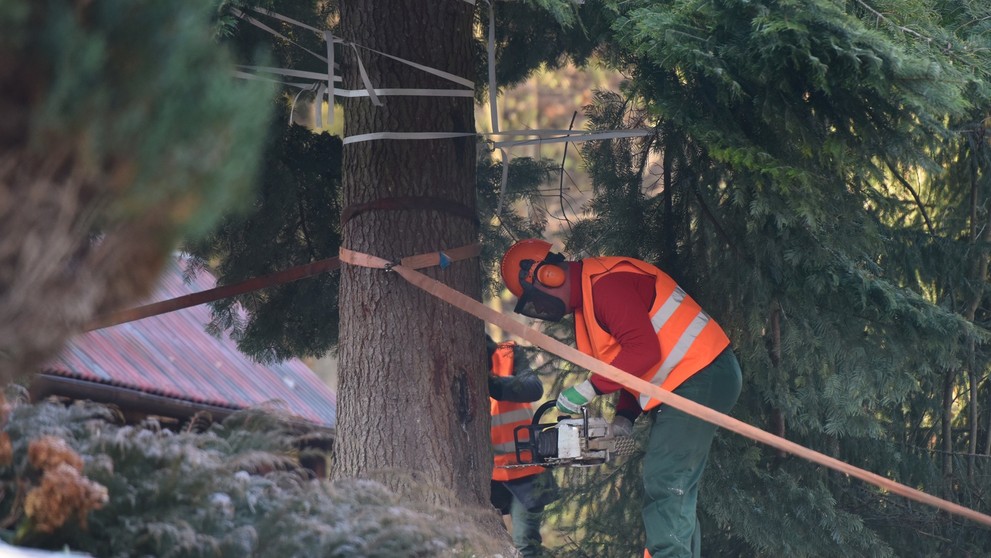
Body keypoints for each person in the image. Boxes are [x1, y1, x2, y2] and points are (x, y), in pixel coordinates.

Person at [500, 239, 742, 558]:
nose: (541, 308)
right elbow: (629, 364)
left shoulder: (606, 287)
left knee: (665, 478)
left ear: (548, 275)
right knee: (677, 486)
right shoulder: (590, 300)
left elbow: (644, 350)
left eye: (536, 298)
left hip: (700, 375)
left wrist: (587, 389)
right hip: (690, 380)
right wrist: (624, 419)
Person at [487, 335, 558, 558]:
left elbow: (533, 388)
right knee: (486, 543)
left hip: (527, 470)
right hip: (488, 475)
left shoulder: (509, 353)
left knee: (525, 544)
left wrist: (494, 385)